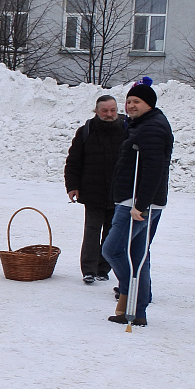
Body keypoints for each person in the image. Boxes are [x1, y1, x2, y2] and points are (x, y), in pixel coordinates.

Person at [102, 83, 172, 326]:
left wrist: (140, 205)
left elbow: (154, 170)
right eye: (129, 101)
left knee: (112, 250)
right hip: (141, 201)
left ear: (149, 104)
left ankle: (129, 292)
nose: (131, 106)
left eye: (137, 102)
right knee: (137, 254)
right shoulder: (143, 124)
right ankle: (138, 312)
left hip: (138, 203)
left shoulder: (151, 128)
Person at [63, 94, 126, 283]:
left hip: (118, 192)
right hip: (92, 192)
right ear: (96, 112)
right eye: (105, 111)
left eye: (112, 110)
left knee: (110, 232)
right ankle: (88, 269)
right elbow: (73, 162)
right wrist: (72, 186)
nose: (109, 114)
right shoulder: (86, 131)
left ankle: (103, 269)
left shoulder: (127, 129)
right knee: (92, 230)